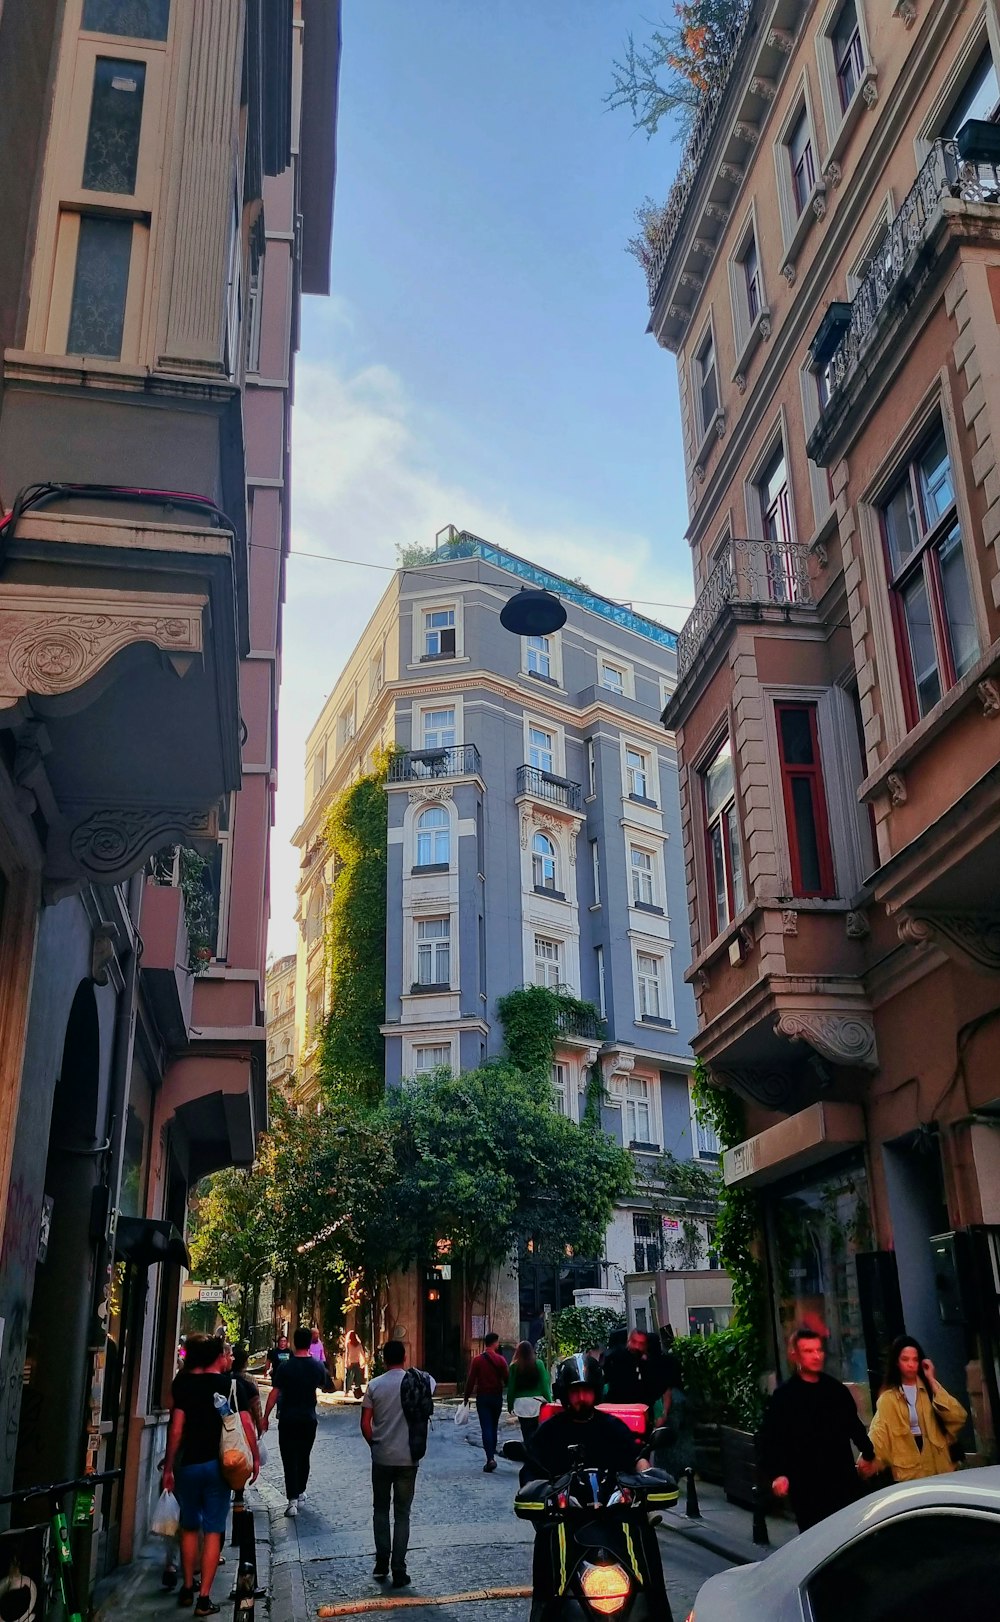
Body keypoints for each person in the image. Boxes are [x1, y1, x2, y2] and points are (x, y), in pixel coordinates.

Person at [527, 1355, 669, 1616]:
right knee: (548, 1541)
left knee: (644, 1536)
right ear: (564, 1394)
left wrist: (648, 1476)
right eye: (575, 1391)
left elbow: (635, 1458)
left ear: (596, 1393)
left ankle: (657, 1610)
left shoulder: (612, 1427)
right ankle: (545, 1611)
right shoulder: (549, 1432)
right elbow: (532, 1473)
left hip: (614, 1514)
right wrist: (538, 1495)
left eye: (587, 1391)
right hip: (566, 1516)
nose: (581, 1398)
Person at [163, 1332, 259, 1617]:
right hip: (220, 1465)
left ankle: (187, 1585)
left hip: (189, 1465)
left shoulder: (183, 1385)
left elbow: (176, 1430)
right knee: (214, 1529)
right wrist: (254, 1458)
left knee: (189, 1526)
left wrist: (169, 1466)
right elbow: (245, 1425)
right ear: (216, 1356)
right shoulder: (230, 1385)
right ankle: (204, 1598)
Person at [758, 1327, 877, 1533]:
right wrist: (777, 1474)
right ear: (796, 1355)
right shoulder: (785, 1397)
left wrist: (867, 1453)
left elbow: (853, 1425)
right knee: (815, 1536)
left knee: (846, 1534)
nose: (815, 1356)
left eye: (818, 1350)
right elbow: (771, 1439)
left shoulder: (835, 1390)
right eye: (808, 1351)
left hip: (840, 1478)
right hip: (806, 1483)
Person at [361, 1339, 437, 1589]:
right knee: (402, 1515)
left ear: (383, 1359)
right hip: (408, 1459)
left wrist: (375, 1444)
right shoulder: (418, 1381)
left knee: (380, 1510)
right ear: (405, 1357)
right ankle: (399, 1568)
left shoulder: (374, 1386)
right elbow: (432, 1385)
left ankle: (381, 1562)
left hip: (382, 1457)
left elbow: (365, 1424)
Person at [868, 1334, 967, 1482]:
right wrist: (867, 1459)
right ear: (896, 1362)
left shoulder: (928, 1390)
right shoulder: (888, 1399)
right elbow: (879, 1435)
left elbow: (958, 1416)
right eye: (905, 1359)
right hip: (909, 1471)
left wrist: (932, 1380)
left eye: (915, 1359)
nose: (910, 1364)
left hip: (939, 1467)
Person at [262, 1326, 330, 1517]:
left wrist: (265, 1417)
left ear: (293, 1343)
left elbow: (274, 1393)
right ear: (310, 1343)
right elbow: (326, 1385)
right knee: (304, 1455)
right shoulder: (317, 1366)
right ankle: (300, 1491)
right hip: (308, 1418)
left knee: (288, 1457)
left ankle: (292, 1498)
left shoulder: (285, 1367)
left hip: (287, 1418)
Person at [463, 1331, 509, 1472]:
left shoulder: (477, 1360)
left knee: (486, 1427)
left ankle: (490, 1458)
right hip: (496, 1397)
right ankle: (492, 1456)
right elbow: (507, 1379)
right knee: (494, 1427)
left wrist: (466, 1397)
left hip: (483, 1397)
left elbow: (471, 1380)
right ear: (495, 1343)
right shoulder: (501, 1360)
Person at [506, 1340, 552, 1449]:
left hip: (521, 1404)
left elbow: (511, 1388)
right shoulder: (538, 1363)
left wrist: (510, 1404)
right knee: (536, 1430)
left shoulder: (514, 1367)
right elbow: (544, 1385)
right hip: (536, 1402)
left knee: (525, 1431)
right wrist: (550, 1400)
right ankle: (535, 1453)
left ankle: (528, 1451)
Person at [601, 1327, 648, 1408]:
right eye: (634, 1342)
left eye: (641, 1344)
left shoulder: (645, 1363)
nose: (637, 1346)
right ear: (628, 1341)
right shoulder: (617, 1357)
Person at [344, 1329, 367, 1399]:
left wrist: (346, 1362)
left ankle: (346, 1392)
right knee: (358, 1378)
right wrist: (364, 1361)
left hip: (351, 1362)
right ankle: (358, 1392)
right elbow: (362, 1353)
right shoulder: (359, 1344)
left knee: (349, 1378)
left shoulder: (348, 1344)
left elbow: (347, 1354)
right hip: (357, 1362)